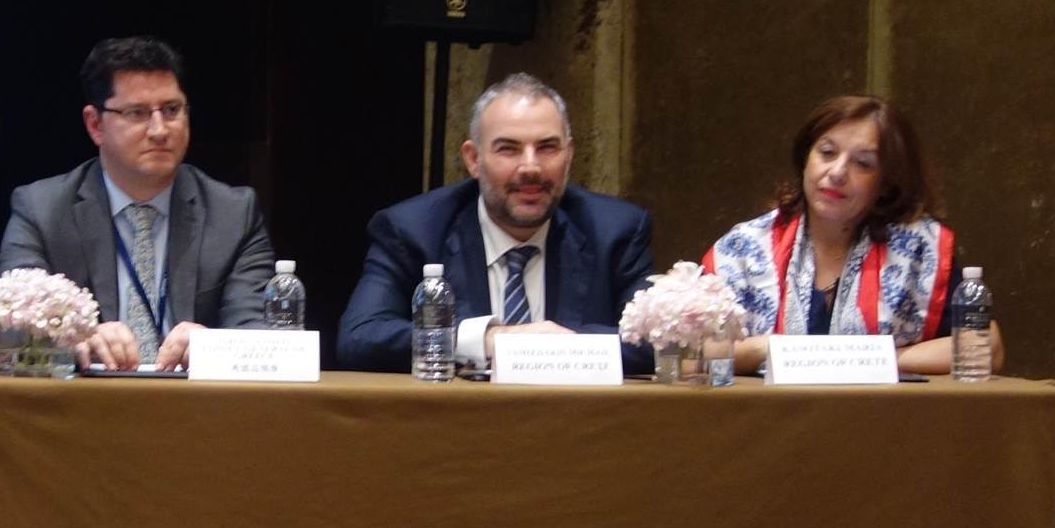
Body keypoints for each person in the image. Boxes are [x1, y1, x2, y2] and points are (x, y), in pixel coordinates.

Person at [337, 72, 656, 375]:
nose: (531, 167)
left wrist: (559, 348)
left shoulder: (615, 231)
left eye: (547, 147)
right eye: (508, 149)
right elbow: (360, 336)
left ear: (569, 154)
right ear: (473, 159)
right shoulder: (414, 229)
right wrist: (489, 340)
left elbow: (656, 342)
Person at [0, 36, 275, 371]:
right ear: (95, 125)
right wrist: (73, 341)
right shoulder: (42, 210)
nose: (159, 130)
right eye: (137, 113)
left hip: (195, 401)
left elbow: (262, 335)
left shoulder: (233, 214)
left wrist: (214, 346)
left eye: (171, 110)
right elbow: (11, 329)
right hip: (85, 401)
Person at [702, 93, 1004, 375]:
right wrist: (762, 349)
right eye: (827, 152)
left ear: (886, 182)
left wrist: (868, 359)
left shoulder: (919, 249)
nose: (837, 172)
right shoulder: (744, 248)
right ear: (805, 158)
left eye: (862, 163)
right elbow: (693, 355)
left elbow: (986, 347)